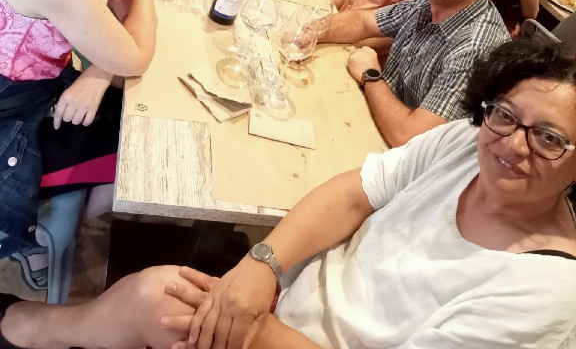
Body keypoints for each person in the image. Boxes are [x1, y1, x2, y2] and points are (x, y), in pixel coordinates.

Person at [3, 40, 576, 348]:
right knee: (159, 295)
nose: (513, 143)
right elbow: (353, 193)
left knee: (156, 300)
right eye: (505, 114)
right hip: (290, 302)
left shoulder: (546, 293)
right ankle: (46, 331)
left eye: (549, 138)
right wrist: (262, 264)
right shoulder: (463, 144)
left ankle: (36, 330)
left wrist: (249, 326)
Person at [0, 0, 158, 261]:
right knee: (142, 149)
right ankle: (45, 240)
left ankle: (66, 223)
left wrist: (98, 72)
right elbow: (137, 55)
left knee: (139, 118)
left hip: (40, 83)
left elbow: (125, 17)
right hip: (11, 106)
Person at [321, 0, 509, 146]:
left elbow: (411, 137)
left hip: (398, 153)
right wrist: (306, 31)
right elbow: (362, 21)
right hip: (377, 121)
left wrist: (370, 75)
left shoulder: (475, 46)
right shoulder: (430, 2)